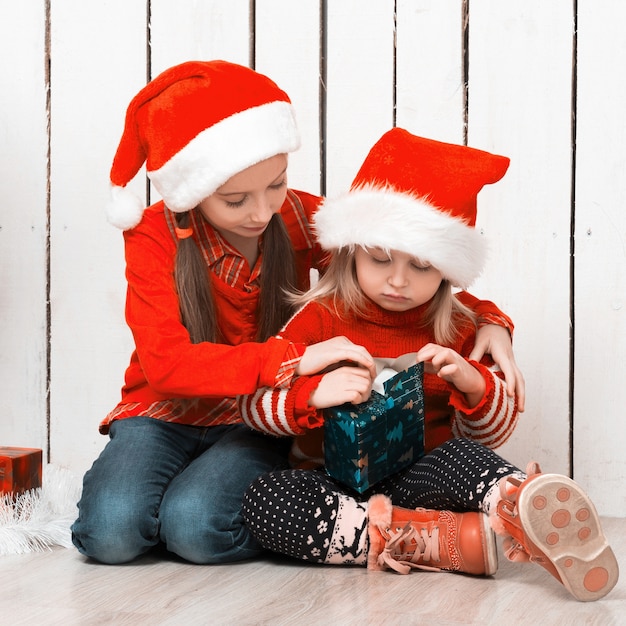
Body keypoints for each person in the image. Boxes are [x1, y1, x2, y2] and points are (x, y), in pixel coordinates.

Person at [71, 61, 521, 566]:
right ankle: (163, 504)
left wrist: (487, 318)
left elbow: (393, 270)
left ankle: (190, 511)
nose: (262, 211)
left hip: (257, 418)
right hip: (165, 411)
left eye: (277, 185)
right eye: (236, 199)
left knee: (197, 529)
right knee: (111, 533)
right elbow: (167, 366)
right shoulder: (153, 237)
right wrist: (289, 361)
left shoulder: (300, 218)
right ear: (191, 189)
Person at [239, 129, 619, 602]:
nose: (398, 280)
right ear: (353, 249)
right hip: (333, 486)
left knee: (466, 459)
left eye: (421, 267)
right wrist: (310, 395)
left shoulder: (460, 327)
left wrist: (472, 383)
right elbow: (251, 404)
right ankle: (430, 541)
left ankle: (519, 507)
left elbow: (491, 435)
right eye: (380, 259)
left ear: (446, 269)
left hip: (421, 477)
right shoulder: (321, 316)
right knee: (266, 499)